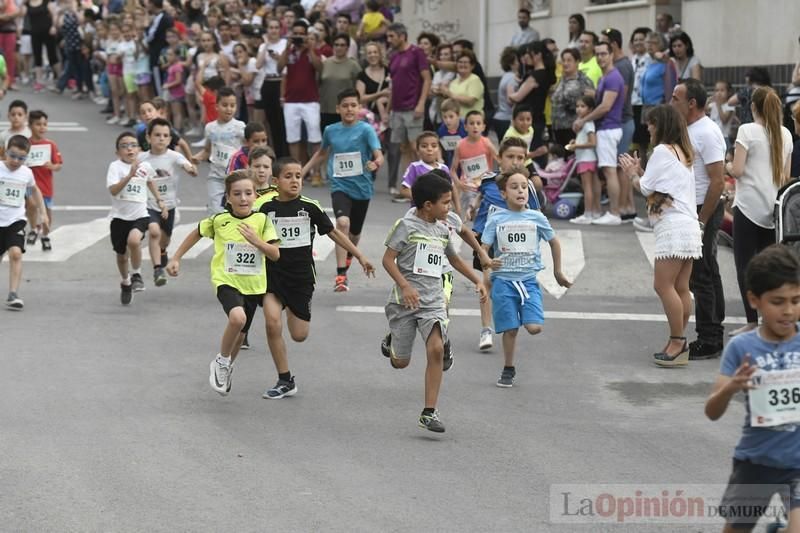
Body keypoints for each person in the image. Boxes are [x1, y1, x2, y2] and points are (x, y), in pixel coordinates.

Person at [259, 157, 375, 399]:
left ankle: (292, 308)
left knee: (299, 335)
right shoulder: (266, 209)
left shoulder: (309, 207)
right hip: (273, 275)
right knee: (271, 322)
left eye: (298, 176)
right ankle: (284, 379)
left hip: (301, 278)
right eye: (288, 176)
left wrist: (360, 256)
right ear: (276, 181)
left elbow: (334, 233)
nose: (294, 181)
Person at [704, 245, 800, 533]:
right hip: (755, 460)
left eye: (796, 300)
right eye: (778, 301)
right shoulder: (741, 348)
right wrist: (732, 386)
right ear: (754, 300)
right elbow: (712, 411)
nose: (789, 311)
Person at [381, 173, 487, 433]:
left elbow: (454, 259)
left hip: (433, 301)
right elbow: (387, 260)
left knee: (437, 349)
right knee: (400, 362)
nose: (450, 208)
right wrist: (405, 286)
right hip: (405, 301)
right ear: (428, 205)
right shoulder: (405, 226)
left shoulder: (442, 229)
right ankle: (393, 342)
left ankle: (429, 412)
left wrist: (477, 280)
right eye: (446, 203)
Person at [167, 171, 280, 396]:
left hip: (254, 285)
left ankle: (227, 364)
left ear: (255, 196)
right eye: (237, 194)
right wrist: (176, 257)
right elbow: (196, 233)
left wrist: (256, 241)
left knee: (239, 334)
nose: (243, 198)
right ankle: (221, 361)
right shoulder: (220, 220)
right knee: (237, 318)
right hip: (226, 279)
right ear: (228, 197)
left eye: (248, 193)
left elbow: (275, 254)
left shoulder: (262, 220)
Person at [619, 105, 702, 367]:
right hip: (688, 225)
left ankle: (678, 341)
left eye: (652, 124)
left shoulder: (661, 152)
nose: (648, 128)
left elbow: (645, 189)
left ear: (662, 125)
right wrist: (642, 172)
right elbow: (661, 188)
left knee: (663, 285)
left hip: (673, 226)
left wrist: (633, 174)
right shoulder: (682, 153)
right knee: (681, 288)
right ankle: (677, 341)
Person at [481, 170, 570, 387]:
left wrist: (558, 272)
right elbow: (483, 248)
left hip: (528, 281)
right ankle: (508, 368)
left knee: (533, 327)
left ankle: (520, 313)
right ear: (503, 194)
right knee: (510, 329)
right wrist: (487, 269)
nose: (520, 190)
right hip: (503, 282)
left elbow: (554, 242)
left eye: (524, 186)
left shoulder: (536, 217)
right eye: (514, 187)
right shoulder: (496, 219)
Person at [726, 87, 794, 337]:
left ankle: (752, 321)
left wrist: (728, 164)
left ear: (753, 107)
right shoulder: (785, 134)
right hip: (772, 208)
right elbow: (785, 177)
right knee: (769, 266)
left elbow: (739, 171)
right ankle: (770, 319)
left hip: (747, 206)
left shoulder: (747, 131)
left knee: (744, 265)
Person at [301, 89, 383, 292]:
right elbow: (321, 153)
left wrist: (376, 163)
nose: (349, 109)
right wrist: (300, 173)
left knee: (354, 235)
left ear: (359, 108)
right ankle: (341, 275)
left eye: (353, 105)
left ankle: (348, 254)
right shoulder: (331, 130)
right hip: (339, 185)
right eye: (345, 105)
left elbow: (378, 155)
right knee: (342, 223)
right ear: (338, 108)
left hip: (362, 188)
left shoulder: (366, 130)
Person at [670, 79, 727, 360]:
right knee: (706, 271)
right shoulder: (689, 129)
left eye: (675, 98)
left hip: (705, 208)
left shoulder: (707, 132)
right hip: (692, 208)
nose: (671, 102)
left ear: (691, 103)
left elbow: (718, 181)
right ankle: (714, 329)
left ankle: (709, 337)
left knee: (701, 274)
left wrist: (701, 221)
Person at [469, 137, 541, 352]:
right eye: (510, 157)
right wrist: (472, 207)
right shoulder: (489, 181)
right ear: (499, 158)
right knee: (487, 282)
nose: (516, 161)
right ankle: (485, 329)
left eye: (521, 157)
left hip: (514, 247)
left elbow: (536, 214)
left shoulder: (526, 186)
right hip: (487, 241)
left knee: (504, 286)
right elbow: (480, 199)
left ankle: (511, 313)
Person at [106, 132, 167, 304]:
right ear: (118, 152)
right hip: (119, 217)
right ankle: (125, 281)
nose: (129, 149)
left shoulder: (144, 165)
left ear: (139, 149)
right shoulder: (115, 167)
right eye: (124, 146)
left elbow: (150, 181)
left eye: (133, 145)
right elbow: (113, 190)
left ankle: (137, 274)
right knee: (121, 255)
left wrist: (159, 200)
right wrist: (129, 176)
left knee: (134, 241)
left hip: (140, 215)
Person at [573, 41, 625, 226]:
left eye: (604, 54)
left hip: (609, 129)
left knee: (610, 171)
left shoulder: (612, 77)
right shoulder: (605, 77)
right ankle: (603, 212)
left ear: (612, 54)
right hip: (605, 128)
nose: (601, 57)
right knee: (606, 171)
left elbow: (605, 106)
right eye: (598, 54)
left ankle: (614, 213)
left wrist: (583, 120)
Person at [139, 117, 197, 283]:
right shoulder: (142, 158)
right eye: (157, 135)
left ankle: (163, 250)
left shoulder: (173, 156)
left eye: (165, 135)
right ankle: (158, 269)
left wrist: (190, 169)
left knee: (165, 238)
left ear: (170, 139)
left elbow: (185, 164)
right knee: (154, 232)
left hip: (170, 205)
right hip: (149, 204)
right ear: (149, 137)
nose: (161, 138)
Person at [1, 135, 49, 310]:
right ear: (5, 152)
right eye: (12, 155)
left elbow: (35, 191)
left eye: (21, 158)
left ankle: (13, 293)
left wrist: (43, 214)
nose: (15, 161)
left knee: (16, 254)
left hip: (16, 220)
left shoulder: (26, 173)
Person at [385, 22, 431, 196]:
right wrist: (388, 109)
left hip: (413, 107)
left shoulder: (416, 52)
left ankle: (426, 186)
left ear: (402, 36)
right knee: (403, 147)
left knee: (416, 146)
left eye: (392, 36)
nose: (389, 40)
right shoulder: (394, 56)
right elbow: (393, 85)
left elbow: (427, 79)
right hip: (396, 109)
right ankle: (409, 186)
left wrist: (421, 103)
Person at [277, 20, 323, 183]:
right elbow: (279, 67)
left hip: (311, 100)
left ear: (306, 35)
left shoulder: (312, 52)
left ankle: (316, 173)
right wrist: (286, 47)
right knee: (293, 138)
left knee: (315, 138)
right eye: (295, 33)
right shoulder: (289, 52)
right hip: (291, 101)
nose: (298, 36)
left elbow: (320, 68)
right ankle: (297, 173)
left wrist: (309, 48)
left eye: (301, 34)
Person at [600, 28, 637, 222]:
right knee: (623, 165)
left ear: (613, 45)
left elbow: (619, 98)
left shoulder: (620, 67)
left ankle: (622, 207)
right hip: (623, 121)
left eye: (604, 44)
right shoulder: (623, 64)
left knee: (621, 166)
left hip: (621, 121)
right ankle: (628, 207)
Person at [192, 87, 246, 214]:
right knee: (217, 211)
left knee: (235, 210)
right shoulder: (210, 128)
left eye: (232, 105)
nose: (229, 109)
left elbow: (247, 150)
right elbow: (207, 150)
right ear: (216, 106)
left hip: (236, 177)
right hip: (216, 176)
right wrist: (197, 158)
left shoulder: (240, 127)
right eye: (225, 105)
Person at [509, 41, 556, 167]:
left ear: (538, 55)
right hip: (538, 117)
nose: (526, 57)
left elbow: (517, 97)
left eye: (529, 54)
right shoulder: (546, 74)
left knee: (525, 152)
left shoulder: (535, 76)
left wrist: (509, 91)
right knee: (538, 153)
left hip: (527, 119)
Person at [26, 110, 62, 252]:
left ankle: (45, 235)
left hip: (46, 186)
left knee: (47, 213)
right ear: (30, 125)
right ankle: (34, 229)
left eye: (44, 124)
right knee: (31, 205)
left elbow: (59, 164)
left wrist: (52, 166)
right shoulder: (26, 144)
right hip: (30, 185)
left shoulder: (51, 145)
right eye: (38, 124)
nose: (42, 127)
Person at [450, 110, 498, 217]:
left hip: (485, 185)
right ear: (465, 127)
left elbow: (500, 160)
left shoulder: (487, 143)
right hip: (467, 186)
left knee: (482, 214)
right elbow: (453, 170)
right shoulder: (460, 145)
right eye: (471, 123)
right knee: (468, 214)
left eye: (478, 123)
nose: (475, 126)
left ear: (483, 127)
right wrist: (458, 183)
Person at [551, 48, 594, 147]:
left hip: (573, 128)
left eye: (569, 60)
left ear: (577, 62)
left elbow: (590, 105)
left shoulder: (583, 81)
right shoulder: (561, 80)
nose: (565, 63)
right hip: (558, 128)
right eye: (563, 60)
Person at [318, 33, 361, 132]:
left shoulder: (353, 65)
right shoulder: (325, 63)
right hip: (326, 110)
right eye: (336, 45)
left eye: (342, 45)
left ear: (347, 47)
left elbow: (358, 87)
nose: (339, 47)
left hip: (346, 111)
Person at [566, 96, 598, 224]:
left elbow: (592, 142)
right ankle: (594, 212)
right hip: (585, 158)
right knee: (590, 186)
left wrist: (576, 146)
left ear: (590, 109)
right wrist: (576, 141)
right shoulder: (584, 123)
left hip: (586, 159)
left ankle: (588, 214)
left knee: (587, 187)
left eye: (583, 106)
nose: (579, 109)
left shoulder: (588, 123)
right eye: (577, 106)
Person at [398, 130, 449, 202]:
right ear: (418, 151)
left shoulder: (444, 168)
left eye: (434, 146)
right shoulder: (414, 167)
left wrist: (457, 207)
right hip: (420, 212)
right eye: (424, 146)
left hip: (440, 211)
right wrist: (421, 199)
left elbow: (451, 189)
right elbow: (404, 190)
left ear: (439, 150)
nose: (429, 149)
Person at [356, 41, 391, 130]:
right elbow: (360, 98)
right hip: (371, 118)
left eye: (375, 52)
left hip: (390, 115)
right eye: (369, 53)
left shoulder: (389, 71)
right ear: (366, 56)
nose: (372, 55)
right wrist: (380, 94)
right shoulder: (362, 75)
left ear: (380, 54)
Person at [440, 50, 483, 119]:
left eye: (465, 62)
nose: (462, 64)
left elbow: (470, 101)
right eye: (460, 62)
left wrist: (449, 94)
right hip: (456, 121)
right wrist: (442, 91)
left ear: (472, 66)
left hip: (471, 121)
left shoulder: (474, 80)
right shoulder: (454, 81)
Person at [145, 0, 172, 96]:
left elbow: (150, 38)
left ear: (153, 4)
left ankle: (161, 108)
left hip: (159, 57)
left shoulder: (165, 18)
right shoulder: (156, 18)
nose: (147, 5)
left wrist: (146, 26)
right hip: (157, 57)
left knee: (160, 86)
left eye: (148, 3)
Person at [493, 47, 520, 141]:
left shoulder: (505, 76)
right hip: (507, 119)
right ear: (512, 63)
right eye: (518, 60)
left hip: (500, 117)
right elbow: (510, 99)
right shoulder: (512, 78)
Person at [436, 99, 466, 169]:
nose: (448, 120)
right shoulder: (441, 130)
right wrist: (439, 158)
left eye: (451, 117)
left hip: (466, 161)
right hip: (450, 161)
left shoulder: (466, 128)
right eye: (445, 117)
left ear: (458, 115)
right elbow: (438, 145)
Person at [707, 80, 736, 148]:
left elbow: (724, 120)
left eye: (722, 90)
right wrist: (708, 101)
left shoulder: (730, 106)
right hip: (712, 137)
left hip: (724, 137)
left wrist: (719, 105)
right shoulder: (713, 104)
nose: (719, 93)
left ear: (729, 92)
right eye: (717, 90)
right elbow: (703, 110)